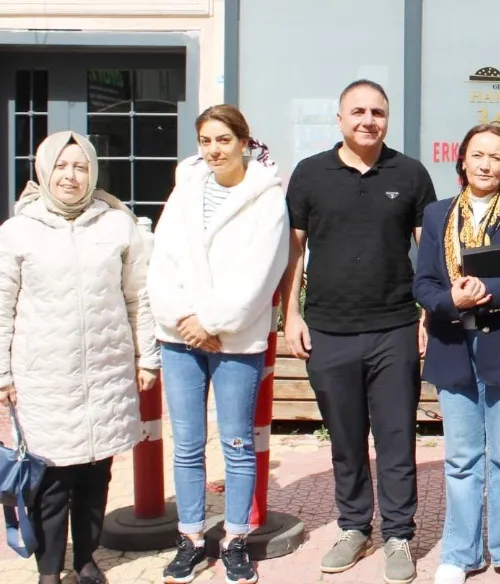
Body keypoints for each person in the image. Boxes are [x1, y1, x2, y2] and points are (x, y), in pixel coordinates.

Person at [280, 79, 437, 584]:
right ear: (341, 118)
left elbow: (430, 251)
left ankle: (399, 534)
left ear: (387, 119)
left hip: (394, 328)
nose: (368, 120)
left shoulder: (410, 174)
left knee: (396, 438)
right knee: (346, 440)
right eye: (358, 111)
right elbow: (294, 252)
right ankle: (353, 528)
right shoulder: (310, 173)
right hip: (329, 330)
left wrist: (429, 314)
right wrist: (291, 315)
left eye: (377, 112)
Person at [0, 130, 159, 584]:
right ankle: (49, 569)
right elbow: (2, 305)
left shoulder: (116, 225)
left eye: (81, 167)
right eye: (61, 166)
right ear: (43, 171)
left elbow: (138, 297)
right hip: (44, 376)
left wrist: (146, 357)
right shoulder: (17, 231)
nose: (70, 176)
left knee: (95, 471)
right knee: (49, 480)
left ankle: (86, 559)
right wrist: (2, 373)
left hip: (106, 371)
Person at [147, 104, 290, 584]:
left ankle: (235, 541)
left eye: (224, 140)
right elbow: (162, 262)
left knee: (237, 442)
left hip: (237, 339)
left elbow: (262, 272)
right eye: (205, 141)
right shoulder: (184, 191)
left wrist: (210, 322)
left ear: (244, 142)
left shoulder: (266, 197)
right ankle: (189, 538)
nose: (214, 150)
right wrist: (183, 319)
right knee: (187, 444)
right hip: (179, 337)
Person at [413, 122, 500, 584]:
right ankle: (461, 553)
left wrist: (487, 290)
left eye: (496, 156)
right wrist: (451, 300)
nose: (486, 164)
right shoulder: (437, 214)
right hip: (453, 345)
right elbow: (423, 283)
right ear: (462, 160)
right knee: (460, 459)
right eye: (478, 154)